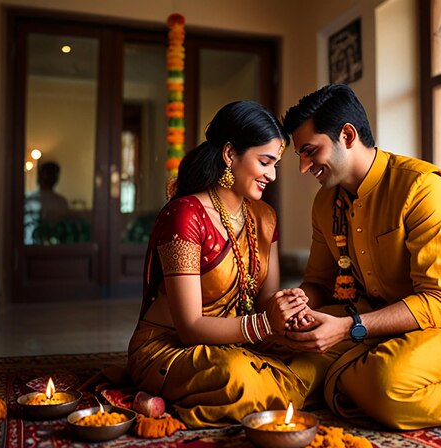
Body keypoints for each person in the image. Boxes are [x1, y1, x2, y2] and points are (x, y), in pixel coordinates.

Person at [273, 84, 441, 430]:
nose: (303, 167)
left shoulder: (421, 188)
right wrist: (300, 303)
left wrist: (347, 328)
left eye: (310, 151)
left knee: (386, 385)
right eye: (300, 155)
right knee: (283, 358)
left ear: (346, 135)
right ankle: (352, 377)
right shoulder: (325, 204)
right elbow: (318, 282)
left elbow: (438, 302)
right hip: (370, 320)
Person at [127, 101, 320, 428]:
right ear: (230, 155)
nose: (271, 175)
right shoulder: (186, 216)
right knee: (237, 377)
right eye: (264, 162)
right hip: (172, 347)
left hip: (238, 341)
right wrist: (265, 325)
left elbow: (263, 305)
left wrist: (289, 309)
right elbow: (190, 328)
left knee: (319, 359)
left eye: (276, 164)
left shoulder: (265, 217)